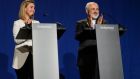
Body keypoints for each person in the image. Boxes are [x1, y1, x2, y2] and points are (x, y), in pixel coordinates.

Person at [75, 2, 106, 79]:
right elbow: (78, 36)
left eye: (97, 9)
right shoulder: (81, 23)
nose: (96, 11)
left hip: (101, 58)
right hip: (85, 59)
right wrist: (91, 28)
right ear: (87, 11)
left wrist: (99, 27)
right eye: (93, 9)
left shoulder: (104, 23)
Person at [12, 1, 39, 79]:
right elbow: (17, 40)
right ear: (24, 8)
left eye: (34, 8)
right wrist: (27, 27)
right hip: (21, 57)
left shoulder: (37, 23)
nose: (33, 9)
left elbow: (39, 39)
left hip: (34, 57)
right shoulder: (17, 23)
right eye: (31, 7)